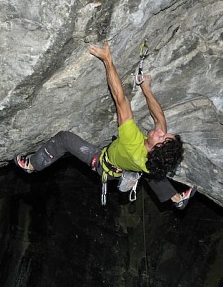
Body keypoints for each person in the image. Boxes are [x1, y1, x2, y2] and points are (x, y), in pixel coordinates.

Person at [15, 41, 196, 209]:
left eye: (162, 138)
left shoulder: (131, 141)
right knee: (155, 170)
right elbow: (159, 118)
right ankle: (176, 199)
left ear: (153, 149)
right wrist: (146, 89)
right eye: (165, 135)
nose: (161, 132)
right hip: (137, 164)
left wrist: (108, 60)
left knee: (64, 139)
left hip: (103, 164)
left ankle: (31, 165)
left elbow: (120, 99)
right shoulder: (153, 156)